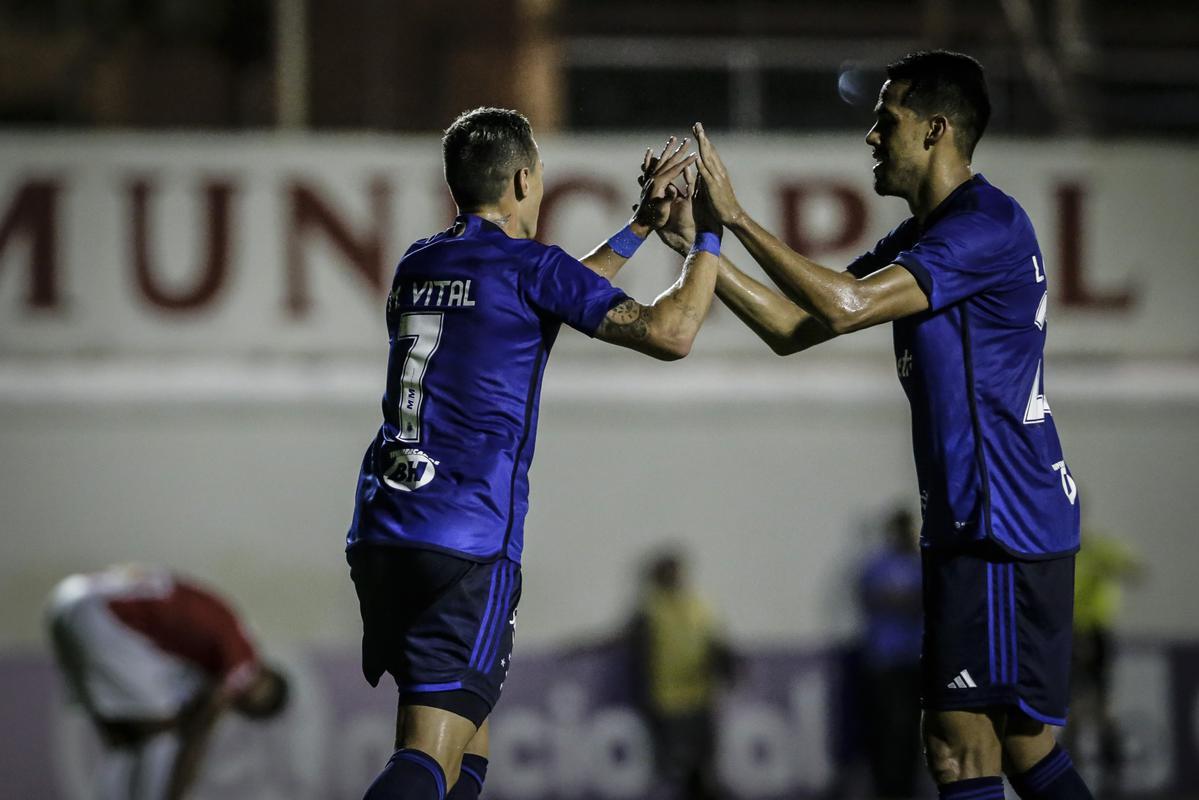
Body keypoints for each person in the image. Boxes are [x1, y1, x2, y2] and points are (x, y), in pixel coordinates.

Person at [648, 50, 1090, 800]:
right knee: (1020, 747)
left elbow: (842, 307)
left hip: (998, 526)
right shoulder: (925, 237)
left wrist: (739, 219)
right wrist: (703, 246)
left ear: (936, 131)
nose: (870, 138)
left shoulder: (985, 226)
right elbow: (794, 325)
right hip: (988, 521)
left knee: (958, 749)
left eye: (886, 120)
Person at [345, 106, 724, 800]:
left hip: (382, 531)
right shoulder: (528, 268)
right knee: (425, 757)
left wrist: (637, 228)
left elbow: (537, 297)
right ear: (523, 179)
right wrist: (709, 238)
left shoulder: (419, 262)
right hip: (464, 539)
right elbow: (671, 332)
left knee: (467, 748)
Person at [45, 564, 290, 800]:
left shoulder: (220, 642)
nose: (235, 705)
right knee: (160, 730)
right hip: (104, 615)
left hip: (68, 598)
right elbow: (197, 737)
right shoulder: (243, 663)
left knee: (124, 738)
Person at [628, 549, 733, 800]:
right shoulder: (652, 611)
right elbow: (632, 644)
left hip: (700, 698)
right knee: (677, 767)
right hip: (668, 702)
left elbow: (715, 644)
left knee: (702, 766)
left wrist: (728, 667)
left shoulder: (698, 607)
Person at [1067, 528, 1144, 790]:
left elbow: (1135, 571)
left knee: (1098, 707)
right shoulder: (1076, 549)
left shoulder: (1094, 549)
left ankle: (1112, 776)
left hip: (1094, 633)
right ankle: (1078, 778)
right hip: (1073, 633)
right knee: (1078, 710)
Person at [856, 507, 924, 799]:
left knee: (911, 731)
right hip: (885, 662)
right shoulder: (878, 565)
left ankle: (909, 788)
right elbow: (876, 597)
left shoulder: (921, 563)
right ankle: (887, 789)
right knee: (887, 731)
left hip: (914, 660)